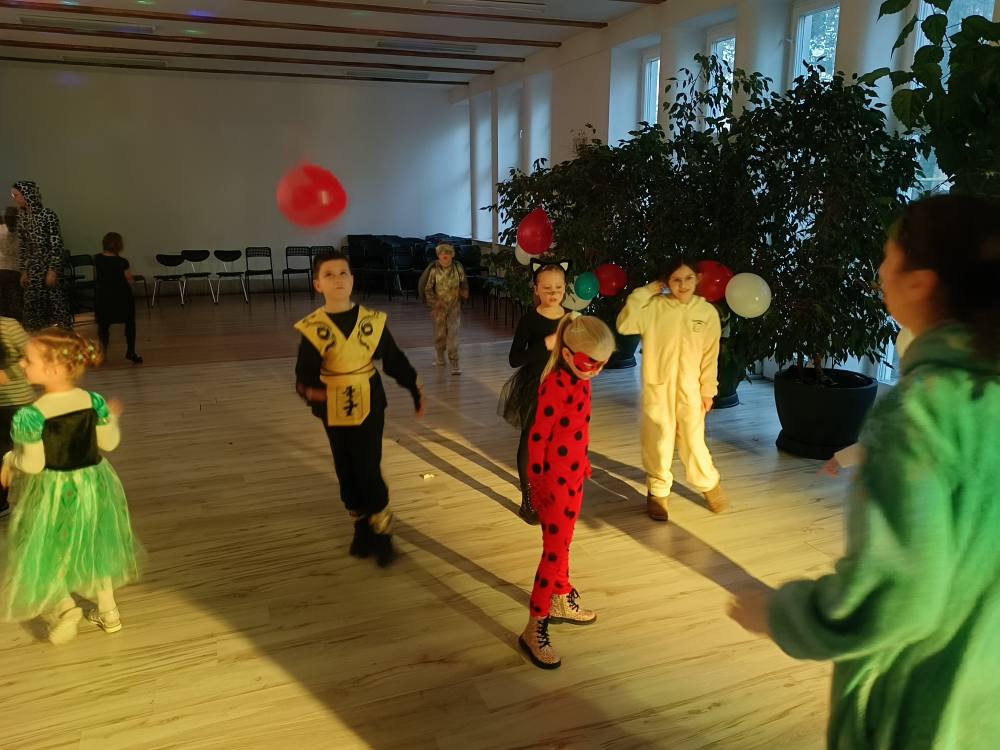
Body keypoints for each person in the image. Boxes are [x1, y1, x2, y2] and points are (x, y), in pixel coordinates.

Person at [729, 194, 1000, 750]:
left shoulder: (923, 411)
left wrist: (785, 616)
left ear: (920, 283)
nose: (878, 270)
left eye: (887, 256)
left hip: (923, 708)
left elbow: (896, 596)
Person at [1, 328, 141, 644]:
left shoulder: (30, 416)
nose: (21, 364)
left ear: (54, 369)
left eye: (28, 360)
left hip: (54, 491)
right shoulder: (94, 401)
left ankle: (65, 609)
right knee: (95, 546)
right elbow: (110, 443)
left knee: (48, 548)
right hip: (93, 484)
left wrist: (10, 459)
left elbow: (33, 464)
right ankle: (109, 613)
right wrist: (112, 418)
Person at [295, 250, 423, 567]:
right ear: (317, 284)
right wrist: (312, 392)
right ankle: (360, 527)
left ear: (352, 280)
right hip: (333, 405)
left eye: (343, 273)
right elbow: (304, 375)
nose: (338, 279)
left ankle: (382, 532)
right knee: (345, 466)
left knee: (368, 465)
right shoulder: (314, 328)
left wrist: (413, 387)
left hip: (369, 399)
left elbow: (392, 359)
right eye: (329, 274)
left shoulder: (371, 322)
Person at [518, 314, 614, 670]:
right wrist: (537, 483)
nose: (596, 371)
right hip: (554, 483)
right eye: (591, 362)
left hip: (573, 476)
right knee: (553, 552)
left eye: (602, 364)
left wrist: (582, 461)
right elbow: (537, 437)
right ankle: (534, 626)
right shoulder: (557, 384)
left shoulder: (581, 379)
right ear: (570, 353)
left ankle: (560, 595)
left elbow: (576, 429)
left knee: (566, 542)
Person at [616, 257, 728, 521]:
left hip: (691, 390)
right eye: (676, 280)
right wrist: (646, 291)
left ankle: (709, 483)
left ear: (697, 279)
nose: (683, 285)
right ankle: (658, 491)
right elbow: (624, 324)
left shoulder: (707, 313)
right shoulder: (654, 308)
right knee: (658, 440)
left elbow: (710, 356)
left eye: (688, 278)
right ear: (666, 282)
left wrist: (707, 391)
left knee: (693, 440)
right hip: (658, 388)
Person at [497, 260, 568, 524]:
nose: (553, 293)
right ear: (536, 289)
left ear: (565, 288)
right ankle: (528, 499)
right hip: (535, 388)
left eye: (558, 287)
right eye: (547, 288)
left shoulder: (571, 318)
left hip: (562, 389)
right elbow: (514, 358)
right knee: (531, 440)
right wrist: (545, 344)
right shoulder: (530, 320)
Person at [10, 182, 71, 331]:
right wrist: (24, 271)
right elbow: (23, 247)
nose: (14, 198)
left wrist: (53, 270)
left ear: (27, 195)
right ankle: (38, 339)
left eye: (16, 195)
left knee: (57, 305)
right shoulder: (22, 217)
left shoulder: (47, 215)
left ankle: (67, 339)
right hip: (33, 269)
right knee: (32, 307)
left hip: (49, 267)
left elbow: (56, 244)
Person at [0, 314, 33, 518]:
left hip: (16, 402)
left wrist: (8, 372)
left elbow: (32, 355)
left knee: (19, 454)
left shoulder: (8, 325)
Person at [94, 232, 142, 364]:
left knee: (103, 326)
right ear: (119, 246)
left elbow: (96, 278)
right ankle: (131, 351)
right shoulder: (122, 262)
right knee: (130, 323)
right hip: (122, 297)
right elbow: (129, 279)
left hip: (103, 297)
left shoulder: (97, 259)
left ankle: (102, 353)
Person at [422, 243, 468, 375]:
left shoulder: (457, 268)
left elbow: (464, 283)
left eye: (447, 253)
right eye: (442, 254)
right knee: (440, 335)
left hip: (454, 307)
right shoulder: (434, 270)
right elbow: (428, 289)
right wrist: (433, 305)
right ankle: (440, 358)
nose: (445, 256)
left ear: (452, 255)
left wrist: (464, 292)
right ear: (438, 256)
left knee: (453, 336)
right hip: (439, 308)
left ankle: (455, 364)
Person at [0, 206, 23, 321]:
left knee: (11, 303)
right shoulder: (22, 231)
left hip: (13, 270)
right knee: (13, 302)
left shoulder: (22, 232)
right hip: (11, 270)